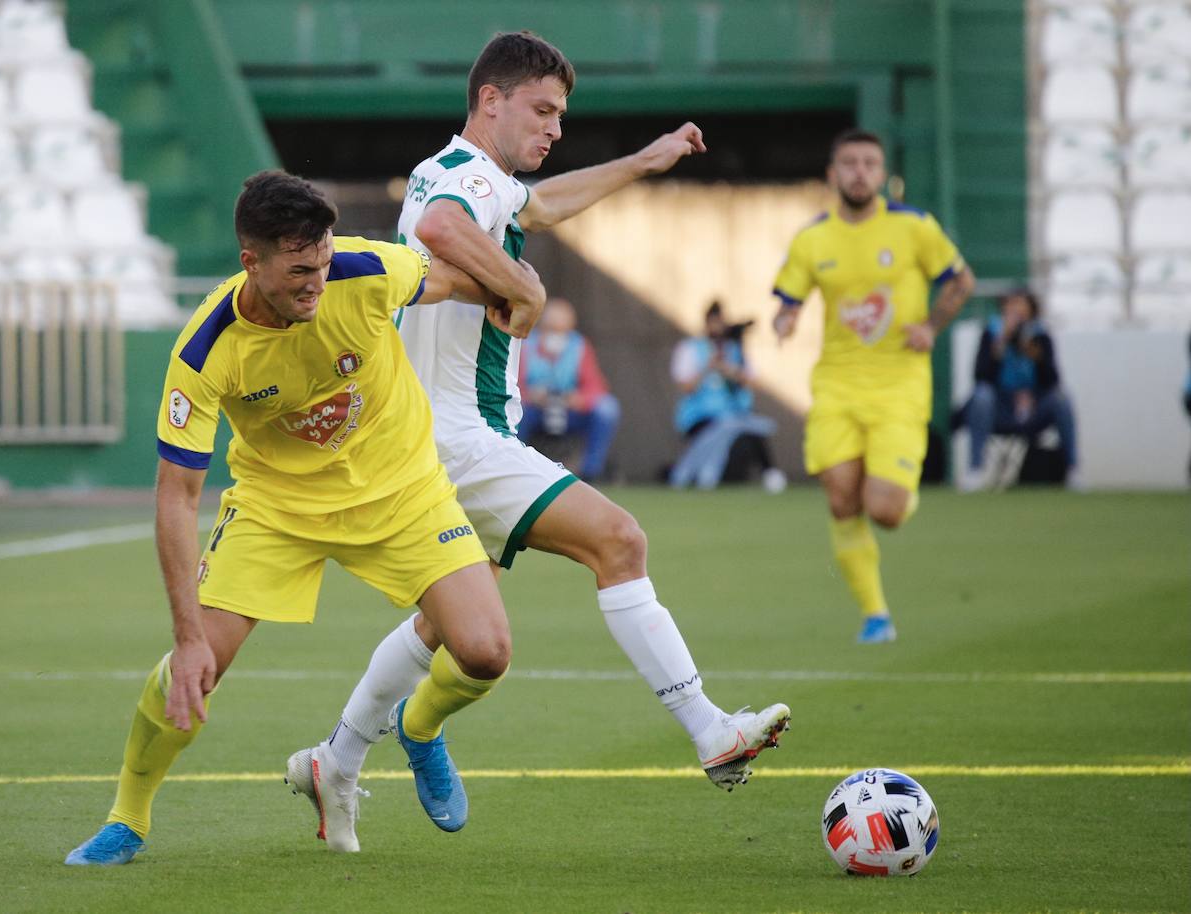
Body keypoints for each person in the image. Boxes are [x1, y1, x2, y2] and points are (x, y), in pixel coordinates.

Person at [289, 30, 790, 854]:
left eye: (562, 114)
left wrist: (644, 159)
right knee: (619, 541)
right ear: (491, 100)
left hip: (440, 440)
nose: (555, 128)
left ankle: (335, 759)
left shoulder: (470, 174)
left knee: (454, 635)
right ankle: (709, 730)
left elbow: (543, 204)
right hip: (463, 438)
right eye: (543, 111)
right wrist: (528, 285)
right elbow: (448, 229)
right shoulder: (462, 183)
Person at [64, 170, 545, 864]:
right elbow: (176, 496)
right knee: (194, 669)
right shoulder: (205, 350)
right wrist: (187, 632)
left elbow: (447, 280)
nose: (315, 283)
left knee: (486, 651)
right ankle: (127, 816)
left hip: (402, 488)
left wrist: (517, 289)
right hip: (276, 507)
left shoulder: (368, 269)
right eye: (297, 270)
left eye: (320, 263)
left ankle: (418, 725)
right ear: (250, 263)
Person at [771, 128, 976, 645]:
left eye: (869, 163)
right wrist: (784, 321)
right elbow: (789, 301)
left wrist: (931, 326)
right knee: (842, 501)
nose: (859, 172)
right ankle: (876, 615)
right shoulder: (813, 238)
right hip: (837, 386)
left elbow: (961, 280)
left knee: (883, 511)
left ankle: (899, 494)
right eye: (850, 163)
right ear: (832, 174)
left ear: (882, 175)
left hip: (899, 385)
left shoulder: (913, 228)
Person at [957, 289, 1079, 491]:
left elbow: (1052, 380)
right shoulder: (992, 333)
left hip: (1034, 407)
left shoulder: (1041, 336)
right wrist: (1001, 343)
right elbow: (980, 377)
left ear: (1031, 309)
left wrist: (1031, 351)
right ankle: (975, 470)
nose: (1014, 310)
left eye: (1020, 305)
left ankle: (1073, 469)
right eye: (1010, 305)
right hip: (1000, 408)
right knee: (981, 396)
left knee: (1062, 398)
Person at [669, 300, 786, 492]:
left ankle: (771, 474)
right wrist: (708, 367)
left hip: (734, 416)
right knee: (715, 437)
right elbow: (686, 386)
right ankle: (698, 476)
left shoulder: (734, 350)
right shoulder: (690, 348)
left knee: (752, 433)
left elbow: (753, 383)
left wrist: (729, 370)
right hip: (701, 419)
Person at [516, 297, 620, 482]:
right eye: (551, 329)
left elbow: (597, 387)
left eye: (561, 330)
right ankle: (516, 468)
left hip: (570, 411)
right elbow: (511, 383)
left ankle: (591, 473)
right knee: (515, 411)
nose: (556, 335)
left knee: (607, 408)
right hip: (534, 410)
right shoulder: (525, 345)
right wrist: (529, 395)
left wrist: (579, 399)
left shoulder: (579, 346)